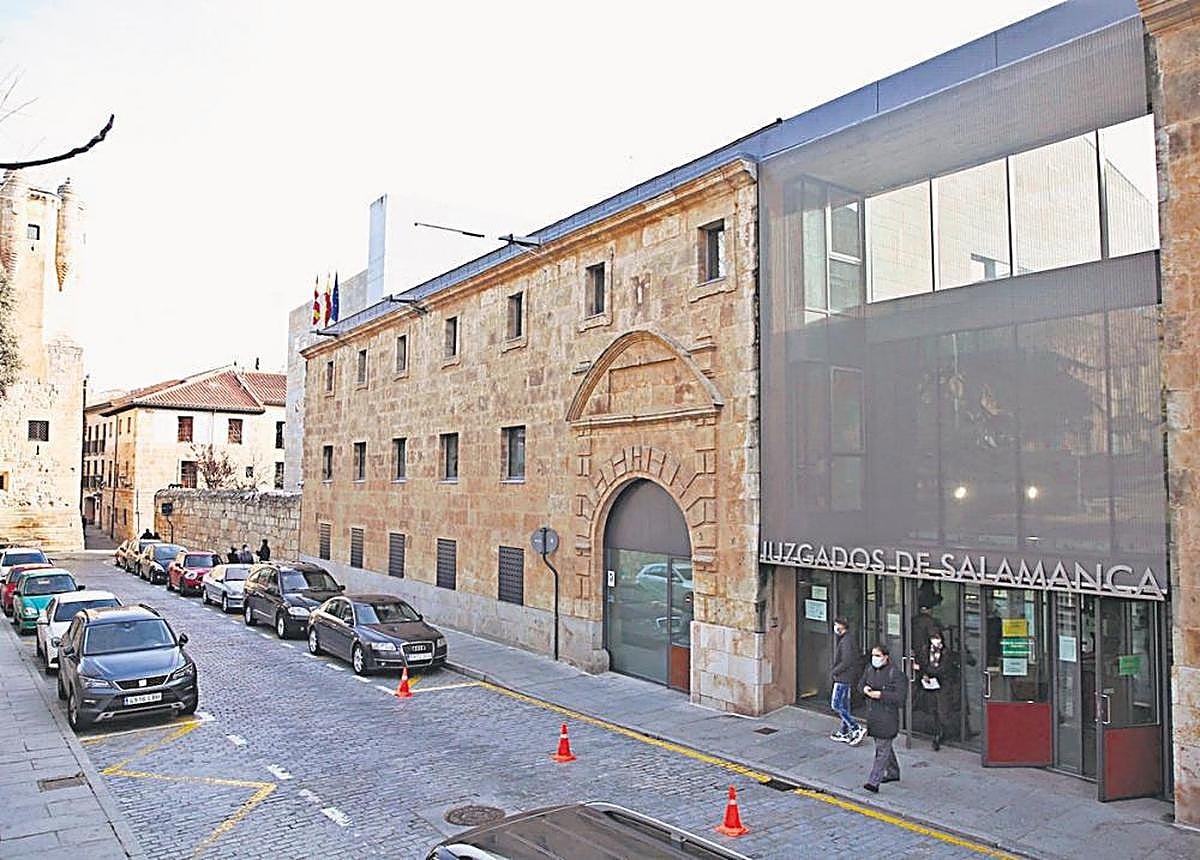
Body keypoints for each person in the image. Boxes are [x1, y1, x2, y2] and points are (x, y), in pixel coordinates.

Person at [860, 643, 908, 793]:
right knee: (884, 747)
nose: (875, 658)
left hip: (887, 717)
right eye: (873, 655)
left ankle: (873, 782)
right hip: (873, 716)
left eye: (878, 656)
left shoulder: (895, 674)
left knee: (881, 749)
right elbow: (861, 683)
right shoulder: (869, 669)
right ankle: (893, 772)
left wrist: (881, 695)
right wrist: (865, 689)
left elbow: (900, 697)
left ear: (886, 657)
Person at [830, 617, 866, 745]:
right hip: (846, 676)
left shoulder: (846, 641)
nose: (835, 627)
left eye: (836, 624)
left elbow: (846, 661)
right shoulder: (848, 639)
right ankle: (844, 731)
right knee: (844, 705)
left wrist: (834, 672)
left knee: (836, 704)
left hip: (843, 677)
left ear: (842, 626)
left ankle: (856, 728)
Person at [914, 629, 952, 750]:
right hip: (929, 683)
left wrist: (926, 671)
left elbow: (943, 668)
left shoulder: (946, 652)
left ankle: (942, 733)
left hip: (942, 683)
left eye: (937, 638)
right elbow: (923, 662)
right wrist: (923, 674)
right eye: (933, 638)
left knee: (942, 709)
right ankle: (936, 731)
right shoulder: (926, 649)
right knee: (932, 708)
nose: (935, 641)